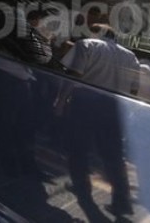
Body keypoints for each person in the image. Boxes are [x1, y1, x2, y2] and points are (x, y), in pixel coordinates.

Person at [59, 24, 139, 220]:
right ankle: (122, 201)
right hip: (113, 106)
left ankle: (81, 187)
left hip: (85, 102)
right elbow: (134, 90)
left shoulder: (86, 45)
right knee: (113, 155)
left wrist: (60, 101)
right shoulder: (130, 56)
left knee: (78, 148)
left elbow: (74, 75)